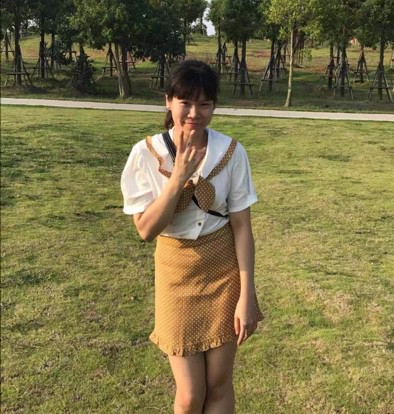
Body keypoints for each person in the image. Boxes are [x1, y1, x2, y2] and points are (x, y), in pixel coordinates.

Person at [121, 59, 263, 414]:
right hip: (175, 273)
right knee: (189, 394)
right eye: (185, 102)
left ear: (214, 106)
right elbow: (145, 230)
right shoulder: (145, 154)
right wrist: (178, 178)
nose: (194, 113)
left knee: (219, 385)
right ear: (168, 102)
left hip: (223, 272)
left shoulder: (231, 151)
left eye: (205, 104)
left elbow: (242, 227)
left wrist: (247, 294)